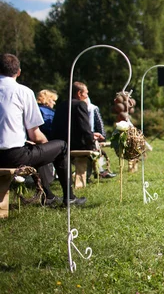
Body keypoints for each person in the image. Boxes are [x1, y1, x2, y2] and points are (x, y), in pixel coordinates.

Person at [0, 54, 85, 206]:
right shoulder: (23, 92)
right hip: (11, 156)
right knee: (60, 146)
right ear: (19, 72)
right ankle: (69, 198)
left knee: (34, 149)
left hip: (9, 151)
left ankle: (49, 196)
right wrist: (45, 145)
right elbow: (35, 134)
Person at [52, 82, 104, 150]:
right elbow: (85, 128)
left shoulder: (61, 105)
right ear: (79, 93)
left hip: (60, 145)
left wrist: (92, 134)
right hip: (76, 146)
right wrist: (92, 145)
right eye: (86, 93)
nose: (87, 96)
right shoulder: (80, 104)